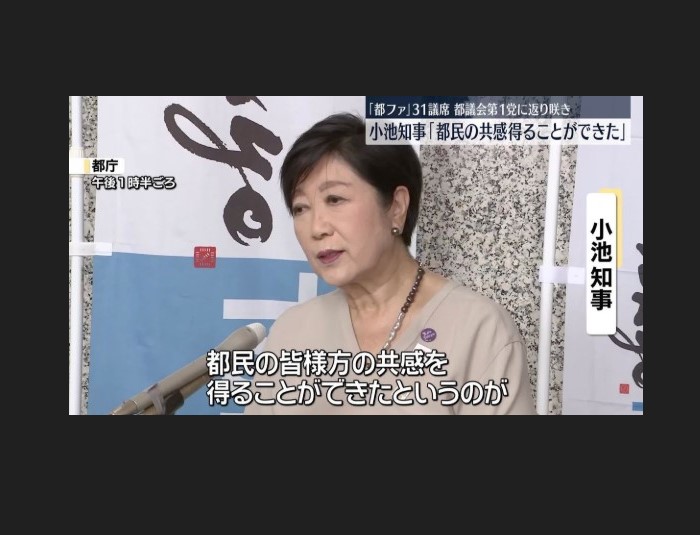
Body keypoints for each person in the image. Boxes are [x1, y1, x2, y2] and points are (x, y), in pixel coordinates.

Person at [245, 113, 535, 415]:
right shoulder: (291, 332)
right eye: (300, 208)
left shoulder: (478, 329)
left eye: (335, 199)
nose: (316, 228)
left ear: (396, 207)